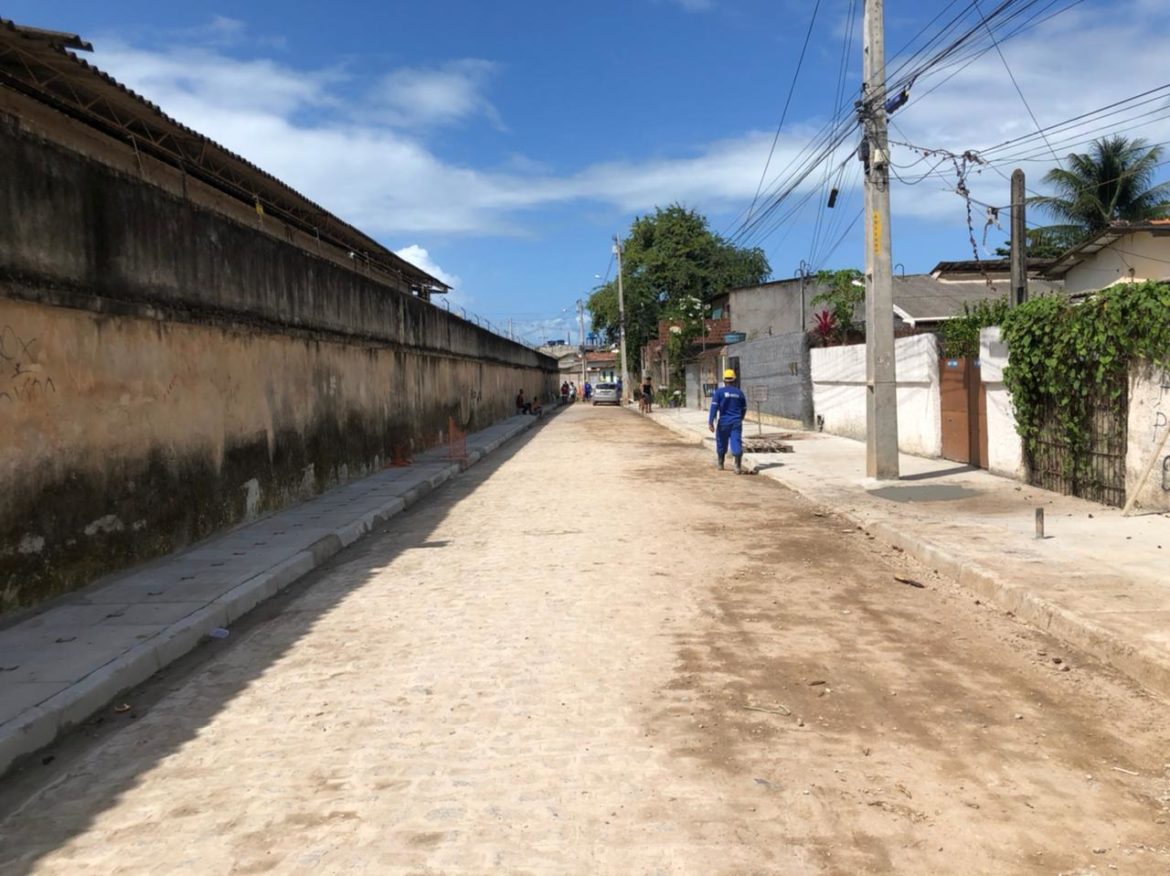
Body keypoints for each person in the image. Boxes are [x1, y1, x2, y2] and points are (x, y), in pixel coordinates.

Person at [708, 368, 748, 473]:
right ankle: (737, 466)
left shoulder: (719, 393)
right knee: (736, 441)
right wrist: (741, 418)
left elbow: (714, 408)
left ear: (724, 380)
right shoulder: (739, 393)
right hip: (736, 422)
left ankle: (721, 463)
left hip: (723, 422)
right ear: (734, 380)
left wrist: (710, 422)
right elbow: (744, 408)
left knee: (721, 441)